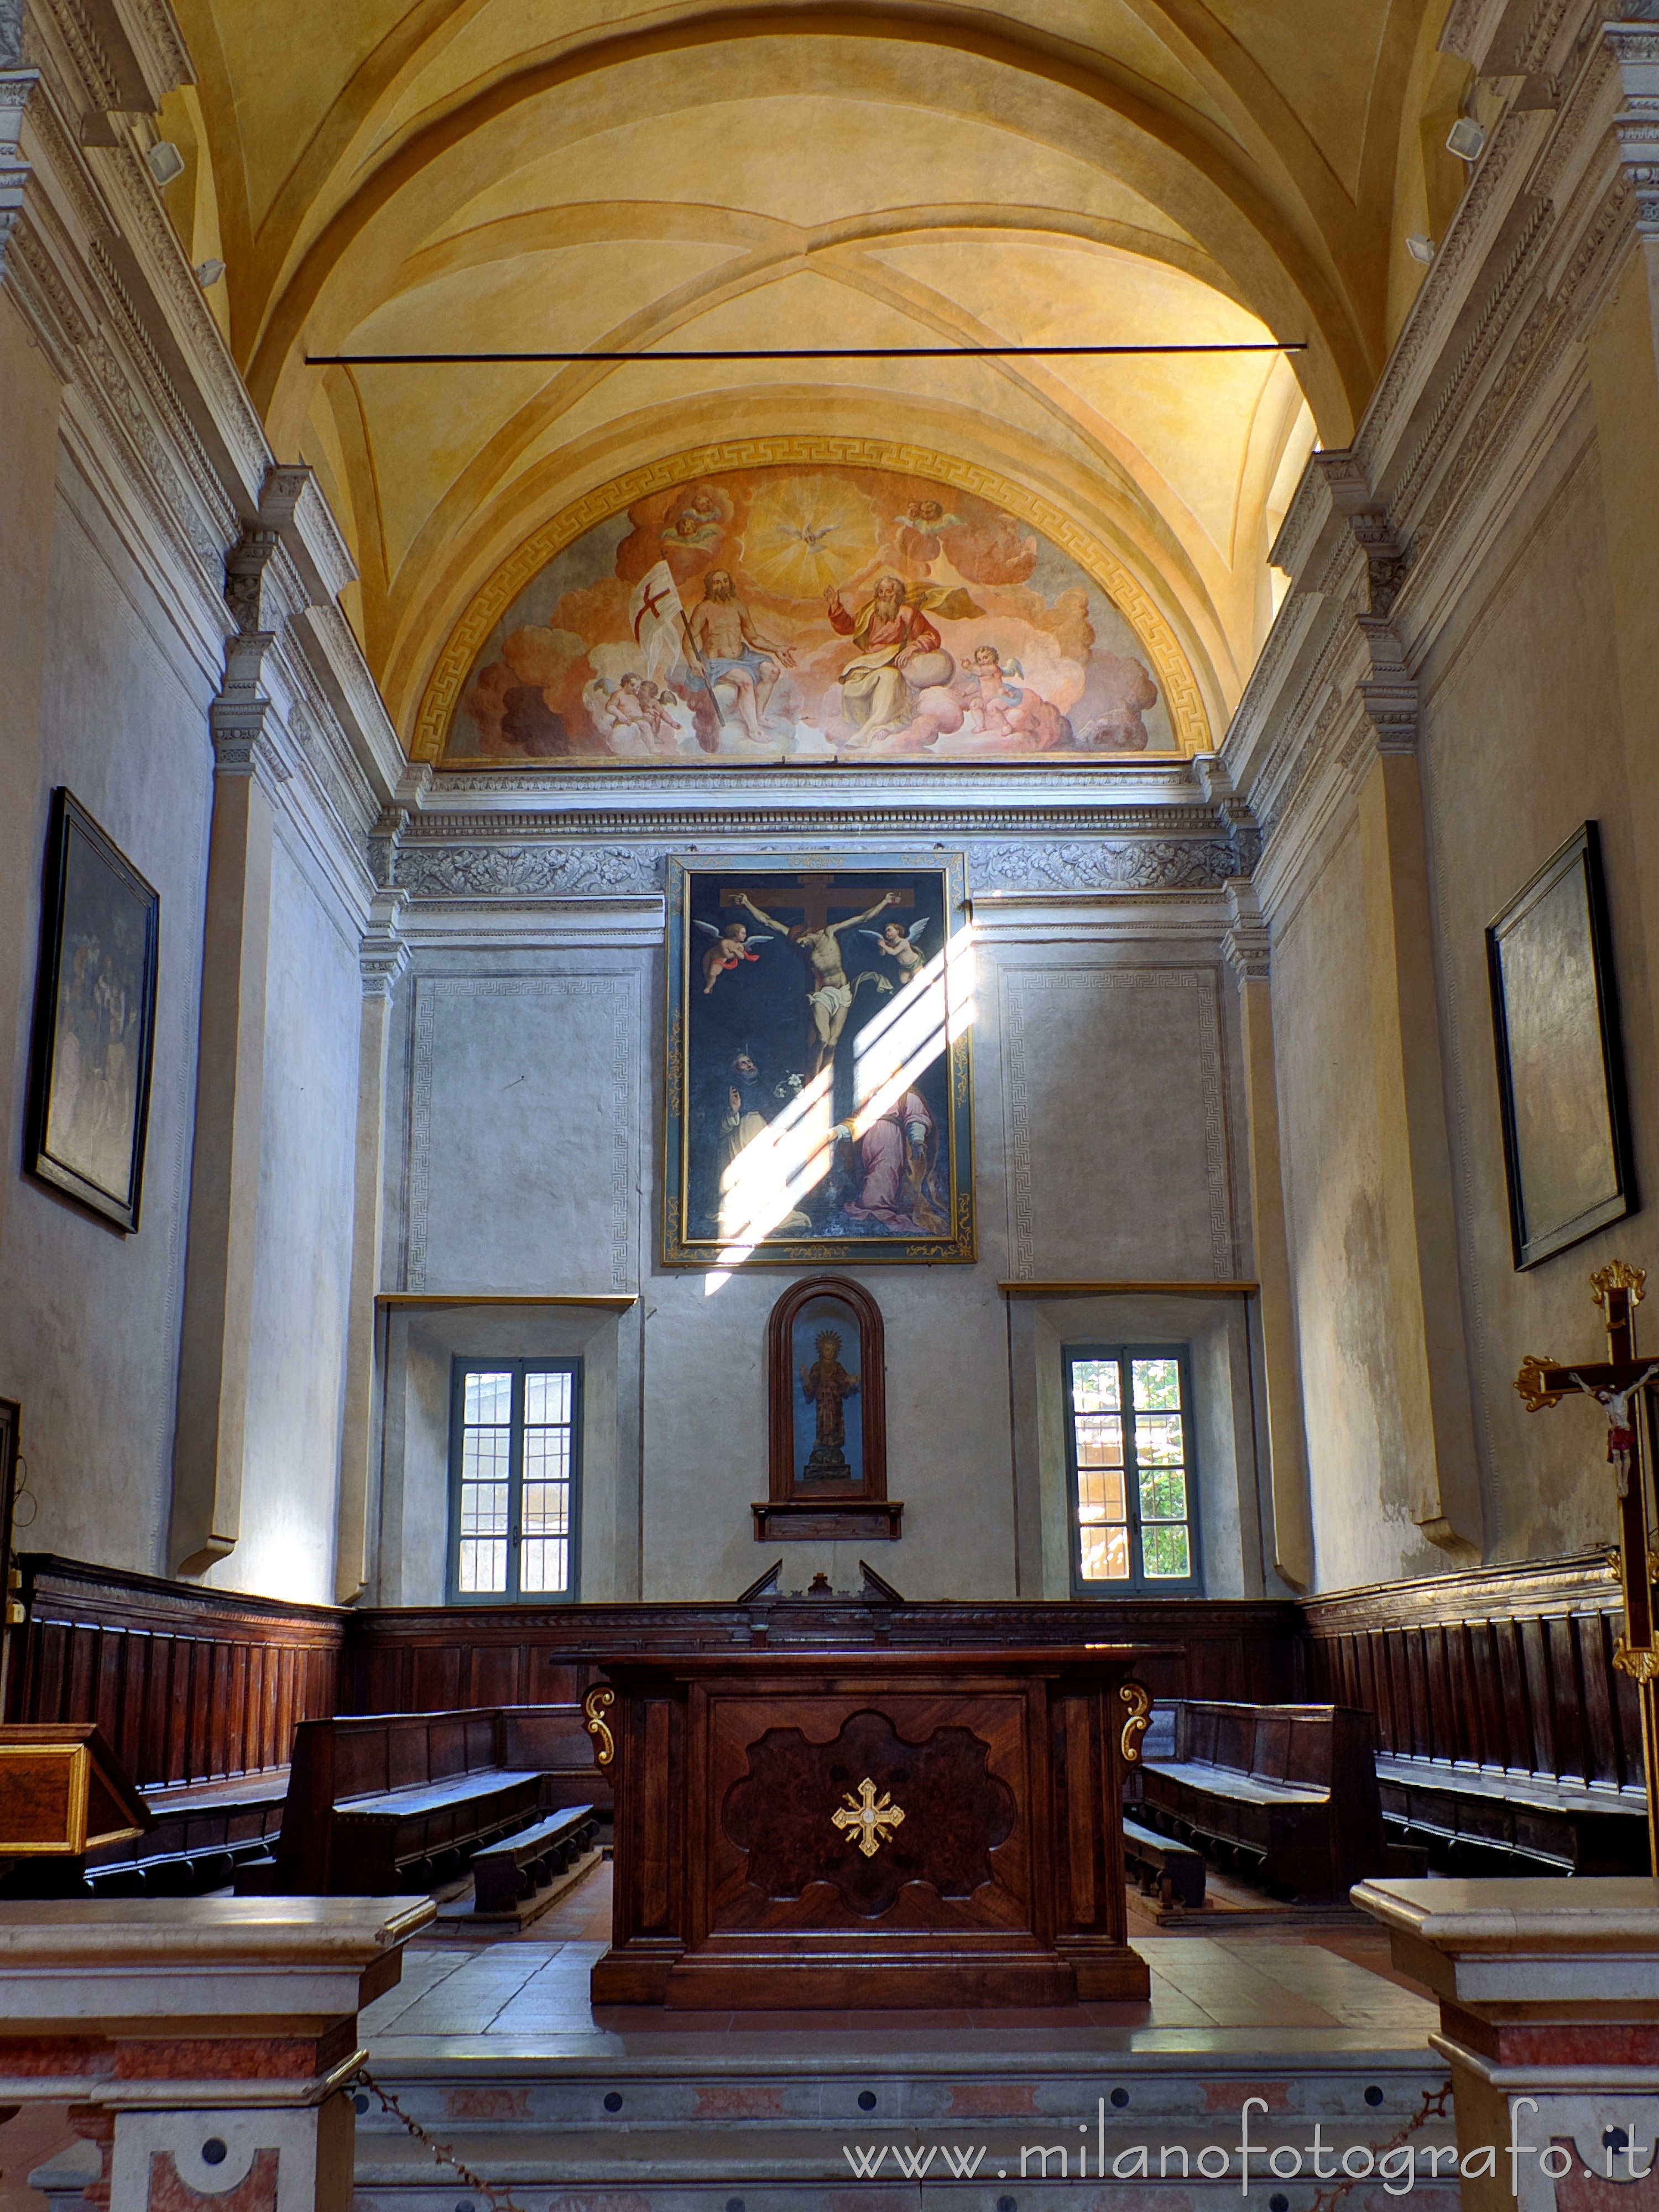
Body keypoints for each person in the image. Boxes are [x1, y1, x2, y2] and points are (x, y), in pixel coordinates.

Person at [734, 888, 898, 1074]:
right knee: (822, 1039)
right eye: (796, 944)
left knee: (833, 1044)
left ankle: (825, 1081)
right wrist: (747, 903)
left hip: (843, 992)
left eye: (800, 941)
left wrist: (885, 901)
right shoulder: (797, 941)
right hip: (824, 993)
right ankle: (814, 1077)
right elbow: (768, 921)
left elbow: (863, 918)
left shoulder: (829, 933)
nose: (800, 946)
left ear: (806, 933)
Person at [823, 575, 943, 740]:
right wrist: (835, 606)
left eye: (889, 592)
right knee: (851, 688)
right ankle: (860, 726)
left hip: (893, 664)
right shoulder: (870, 613)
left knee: (889, 677)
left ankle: (879, 726)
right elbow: (849, 627)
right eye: (880, 592)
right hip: (869, 662)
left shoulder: (907, 613)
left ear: (898, 594)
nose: (884, 596)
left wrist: (912, 648)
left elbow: (932, 636)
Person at [688, 570, 795, 743]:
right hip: (718, 662)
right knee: (746, 681)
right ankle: (754, 730)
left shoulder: (738, 606)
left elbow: (753, 637)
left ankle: (759, 715)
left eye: (725, 581)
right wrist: (693, 661)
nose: (722, 585)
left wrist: (776, 648)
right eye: (717, 582)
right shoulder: (704, 609)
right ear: (710, 586)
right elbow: (689, 639)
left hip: (743, 656)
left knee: (772, 671)